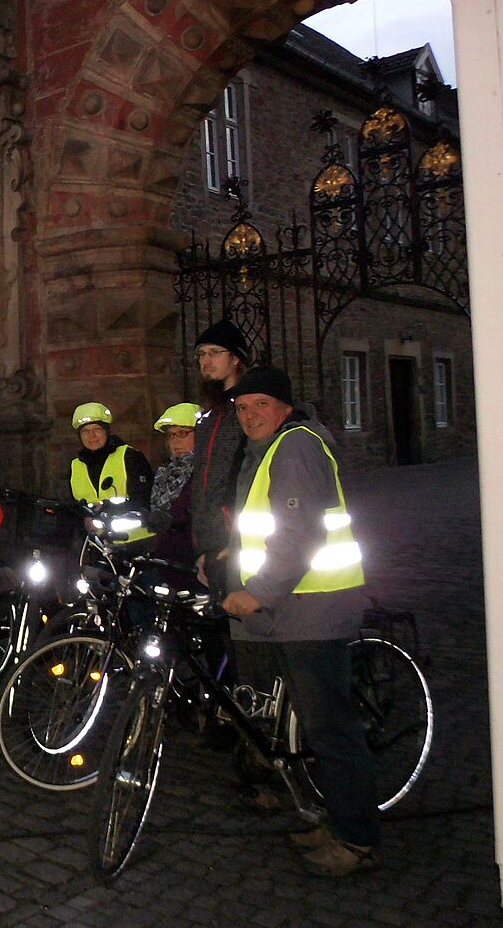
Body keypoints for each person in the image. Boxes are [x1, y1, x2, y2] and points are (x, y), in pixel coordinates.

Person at [219, 366, 376, 877]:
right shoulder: (273, 448)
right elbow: (268, 527)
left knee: (331, 730)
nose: (249, 415)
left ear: (285, 407)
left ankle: (357, 840)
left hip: (313, 609)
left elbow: (300, 532)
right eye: (242, 408)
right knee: (311, 726)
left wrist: (256, 592)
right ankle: (337, 820)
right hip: (294, 610)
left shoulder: (297, 446)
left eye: (260, 404)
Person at [190, 319, 251, 593]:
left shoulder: (249, 409)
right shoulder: (209, 415)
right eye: (202, 354)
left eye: (215, 352)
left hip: (241, 540)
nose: (206, 360)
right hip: (211, 541)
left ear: (236, 358)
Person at [68, 402, 153, 543]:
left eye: (97, 429)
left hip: (134, 542)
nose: (92, 435)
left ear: (106, 431)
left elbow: (144, 498)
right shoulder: (75, 465)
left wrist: (110, 508)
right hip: (96, 544)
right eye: (85, 431)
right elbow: (74, 505)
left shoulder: (130, 456)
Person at [149, 402, 200, 568]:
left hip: (194, 560)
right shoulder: (164, 472)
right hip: (165, 558)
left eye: (182, 433)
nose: (175, 441)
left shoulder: (206, 472)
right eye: (171, 435)